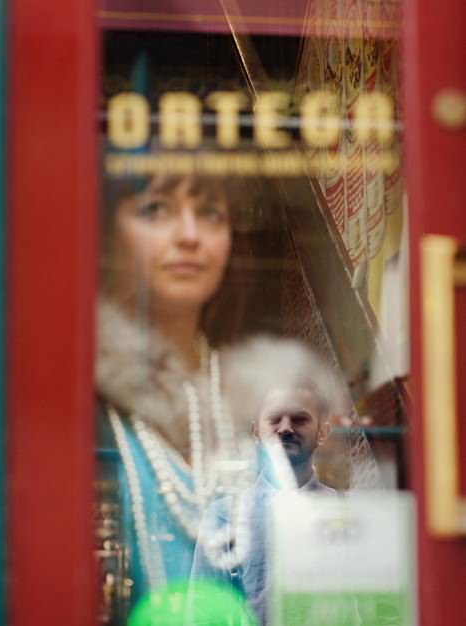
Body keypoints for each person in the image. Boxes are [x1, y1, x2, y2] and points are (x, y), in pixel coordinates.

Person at [95, 172, 260, 623]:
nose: (189, 236)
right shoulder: (79, 402)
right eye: (156, 209)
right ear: (108, 234)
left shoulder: (259, 401)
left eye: (209, 212)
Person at [189, 343, 345, 626]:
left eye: (299, 419)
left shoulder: (346, 515)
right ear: (256, 432)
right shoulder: (224, 517)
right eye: (275, 419)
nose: (286, 428)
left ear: (322, 433)